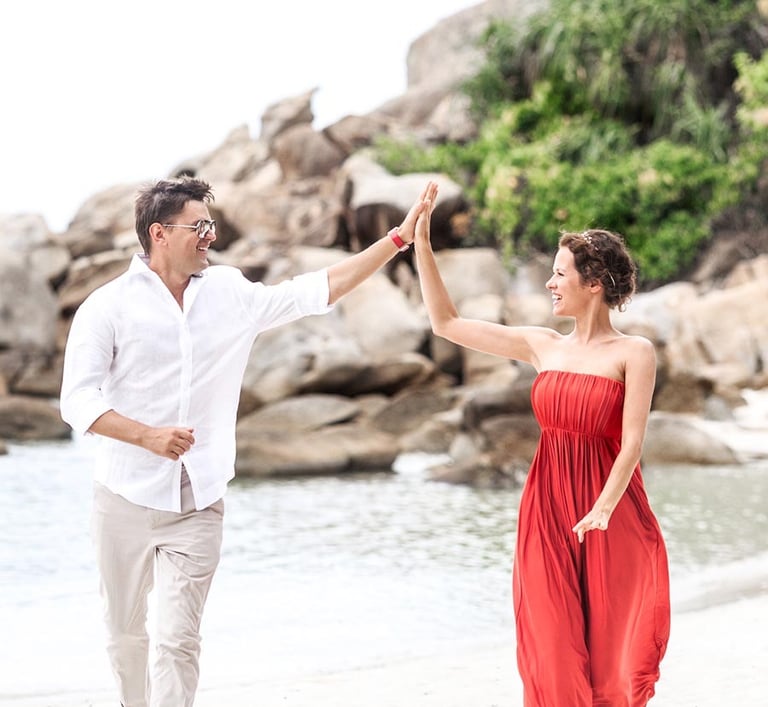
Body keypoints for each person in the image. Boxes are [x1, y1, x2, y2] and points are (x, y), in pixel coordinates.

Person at [59, 175, 432, 707]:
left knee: (178, 640)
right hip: (122, 497)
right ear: (159, 234)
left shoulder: (231, 293)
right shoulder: (106, 306)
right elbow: (76, 401)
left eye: (211, 225)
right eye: (200, 226)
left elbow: (316, 290)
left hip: (200, 499)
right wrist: (146, 436)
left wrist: (397, 239)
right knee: (125, 636)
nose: (211, 235)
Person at [412, 182, 670, 706]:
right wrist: (421, 242)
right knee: (551, 648)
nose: (551, 283)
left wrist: (601, 509)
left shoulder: (634, 352)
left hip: (611, 514)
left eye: (560, 273)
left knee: (608, 665)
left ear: (593, 282)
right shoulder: (542, 345)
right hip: (547, 509)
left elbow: (632, 444)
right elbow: (448, 323)